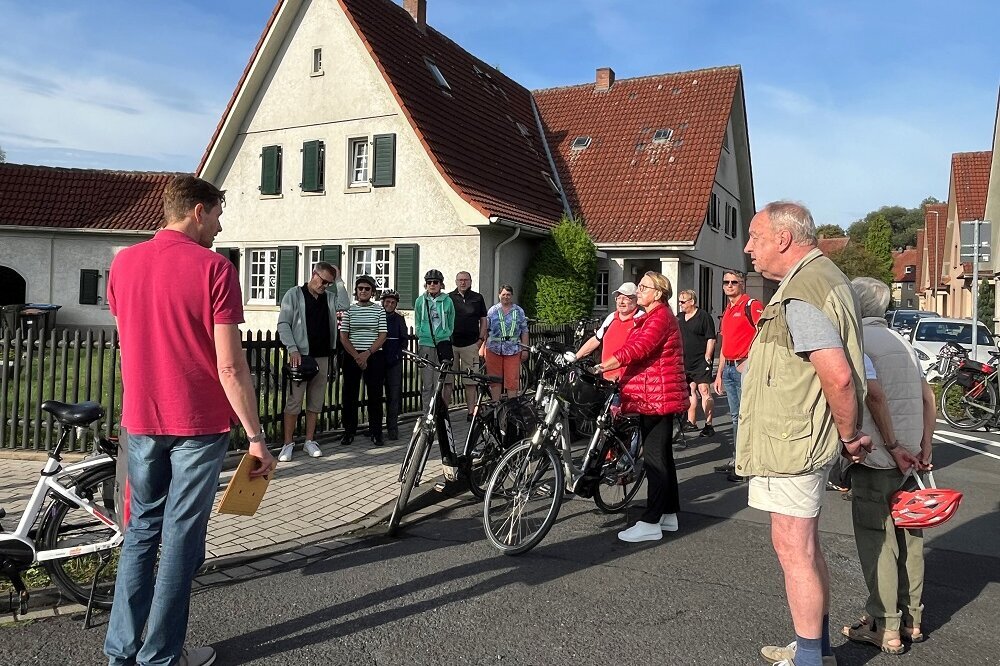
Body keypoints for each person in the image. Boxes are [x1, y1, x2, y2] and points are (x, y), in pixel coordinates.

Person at [104, 175, 276, 666]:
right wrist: (256, 439)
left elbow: (131, 336)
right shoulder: (215, 269)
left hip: (141, 418)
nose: (220, 226)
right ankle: (161, 656)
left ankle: (122, 651)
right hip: (198, 423)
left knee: (141, 530)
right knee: (181, 536)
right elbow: (229, 365)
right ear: (198, 211)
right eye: (218, 214)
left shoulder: (124, 264)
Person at [740, 201, 871, 666]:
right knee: (806, 547)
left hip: (793, 442)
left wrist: (851, 434)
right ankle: (814, 647)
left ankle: (811, 659)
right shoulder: (821, 278)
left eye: (755, 236)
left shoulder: (803, 292)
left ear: (782, 238)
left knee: (793, 547)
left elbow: (836, 376)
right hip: (799, 437)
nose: (747, 247)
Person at [837, 277, 934, 655]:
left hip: (879, 455)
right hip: (914, 459)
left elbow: (873, 396)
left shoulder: (858, 342)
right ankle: (913, 619)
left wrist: (892, 445)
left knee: (877, 540)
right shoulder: (904, 343)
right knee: (910, 540)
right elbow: (929, 399)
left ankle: (885, 625)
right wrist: (924, 446)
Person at [597, 271, 688, 543]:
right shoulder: (655, 316)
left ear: (658, 293)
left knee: (654, 459)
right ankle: (668, 513)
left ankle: (650, 521)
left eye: (644, 287)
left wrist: (606, 364)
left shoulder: (659, 317)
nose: (638, 291)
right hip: (657, 395)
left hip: (657, 396)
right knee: (662, 456)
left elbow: (639, 347)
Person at [276, 261, 346, 461]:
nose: (325, 286)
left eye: (329, 283)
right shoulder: (294, 294)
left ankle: (309, 440)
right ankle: (287, 443)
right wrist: (292, 349)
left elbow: (345, 305)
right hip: (301, 356)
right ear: (314, 274)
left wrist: (339, 280)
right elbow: (284, 324)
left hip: (322, 355)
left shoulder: (330, 298)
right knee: (294, 401)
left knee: (315, 401)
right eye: (323, 281)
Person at [712, 269, 763, 481]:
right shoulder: (727, 310)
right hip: (730, 368)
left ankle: (748, 464)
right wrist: (719, 373)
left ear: (742, 283)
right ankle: (738, 459)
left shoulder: (752, 305)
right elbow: (725, 344)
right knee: (735, 417)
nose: (730, 285)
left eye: (734, 281)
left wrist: (749, 361)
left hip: (744, 367)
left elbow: (764, 334)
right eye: (726, 282)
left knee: (746, 417)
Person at [413, 269, 458, 479]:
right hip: (426, 343)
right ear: (426, 284)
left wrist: (445, 335)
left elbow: (451, 321)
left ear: (441, 284)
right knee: (427, 382)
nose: (432, 285)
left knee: (443, 381)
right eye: (429, 282)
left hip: (442, 342)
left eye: (436, 282)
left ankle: (441, 414)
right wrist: (422, 335)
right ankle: (426, 415)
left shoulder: (447, 301)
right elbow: (418, 319)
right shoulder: (420, 301)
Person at [339, 275, 387, 446]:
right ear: (356, 291)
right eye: (360, 289)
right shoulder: (350, 311)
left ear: (372, 291)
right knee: (349, 394)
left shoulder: (379, 310)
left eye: (367, 289)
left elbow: (382, 335)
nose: (364, 291)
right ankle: (348, 431)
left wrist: (366, 353)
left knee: (374, 395)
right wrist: (356, 356)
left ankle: (376, 432)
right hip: (353, 356)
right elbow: (344, 336)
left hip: (374, 355)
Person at [575, 282, 643, 381]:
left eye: (626, 298)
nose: (621, 302)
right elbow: (595, 340)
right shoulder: (611, 317)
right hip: (605, 378)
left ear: (636, 300)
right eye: (618, 298)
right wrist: (575, 358)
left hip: (628, 381)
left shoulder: (641, 319)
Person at [676, 289, 716, 437]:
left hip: (701, 360)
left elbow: (711, 338)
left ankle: (709, 424)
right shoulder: (679, 318)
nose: (680, 305)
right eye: (679, 301)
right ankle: (691, 422)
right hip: (685, 361)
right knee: (690, 390)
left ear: (692, 301)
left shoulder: (704, 317)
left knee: (704, 390)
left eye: (683, 301)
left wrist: (708, 356)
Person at [450, 271, 488, 420]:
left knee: (471, 381)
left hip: (471, 345)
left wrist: (480, 339)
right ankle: (444, 413)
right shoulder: (449, 298)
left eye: (466, 280)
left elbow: (483, 319)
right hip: (451, 344)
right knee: (447, 381)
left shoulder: (477, 298)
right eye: (460, 280)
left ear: (471, 281)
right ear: (456, 281)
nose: (463, 282)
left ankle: (471, 412)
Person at [483, 285, 529, 400]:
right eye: (503, 294)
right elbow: (485, 330)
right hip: (493, 349)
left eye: (508, 295)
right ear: (499, 295)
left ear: (512, 296)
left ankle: (512, 406)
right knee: (494, 379)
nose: (506, 297)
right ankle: (495, 405)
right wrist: (482, 347)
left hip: (513, 349)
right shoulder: (493, 310)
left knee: (512, 379)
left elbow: (524, 331)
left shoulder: (519, 311)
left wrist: (525, 349)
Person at [380, 288, 408, 441]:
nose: (390, 305)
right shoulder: (377, 316)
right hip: (378, 360)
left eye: (393, 302)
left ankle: (392, 428)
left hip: (394, 362)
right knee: (377, 395)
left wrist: (398, 354)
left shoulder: (399, 319)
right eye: (387, 302)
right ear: (383, 303)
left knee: (394, 396)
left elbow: (404, 339)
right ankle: (376, 428)